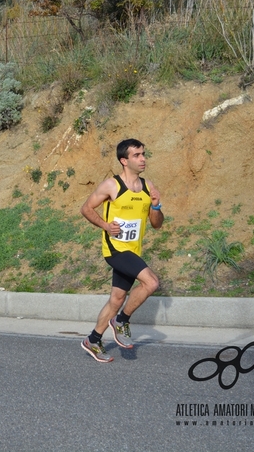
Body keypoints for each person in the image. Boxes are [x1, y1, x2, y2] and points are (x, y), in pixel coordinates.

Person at [79, 138, 164, 363]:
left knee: (117, 298)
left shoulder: (148, 186)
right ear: (124, 160)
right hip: (115, 249)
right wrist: (105, 225)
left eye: (144, 154)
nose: (143, 159)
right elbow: (86, 208)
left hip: (133, 250)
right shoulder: (112, 185)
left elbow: (156, 224)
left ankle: (93, 340)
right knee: (152, 282)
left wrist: (155, 205)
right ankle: (122, 321)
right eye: (137, 155)